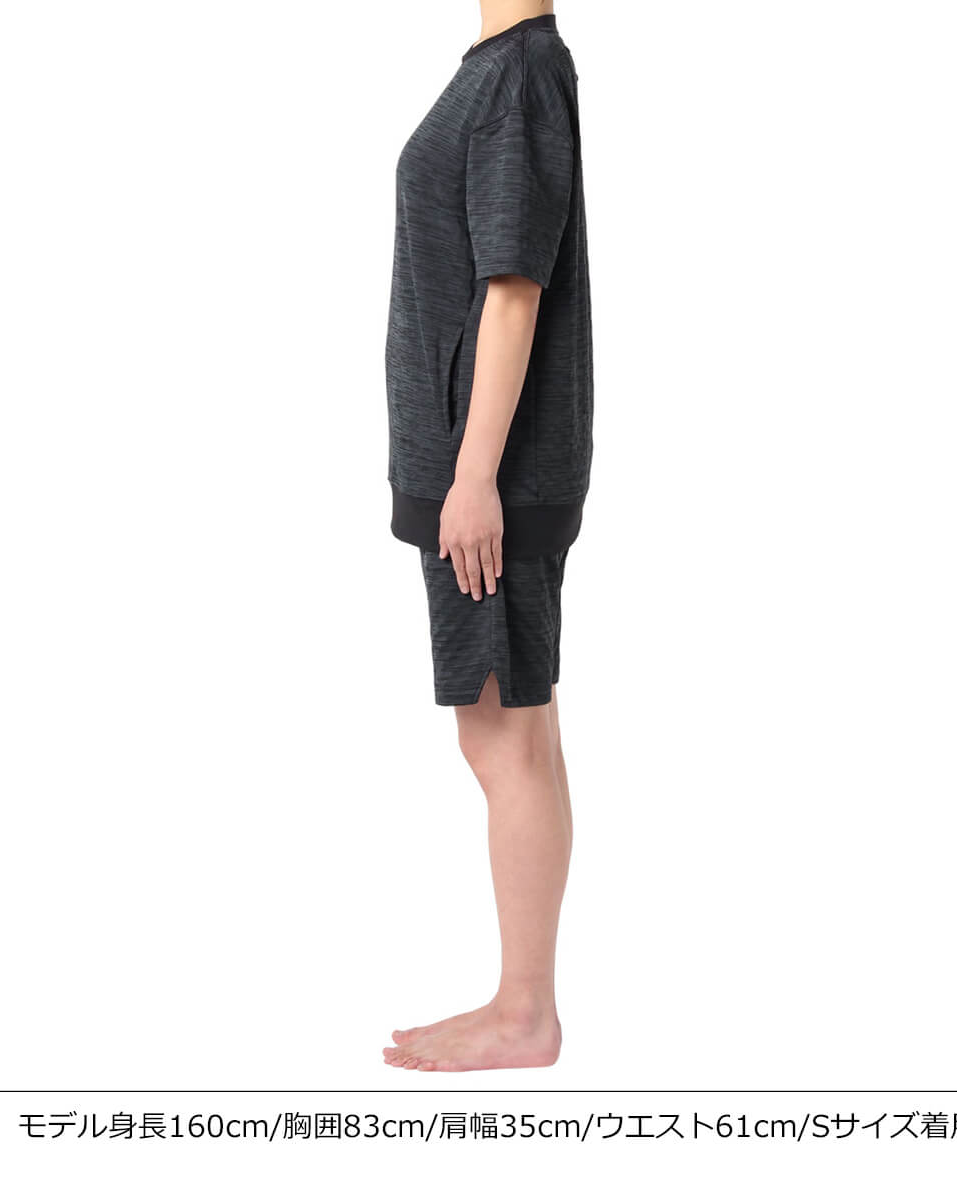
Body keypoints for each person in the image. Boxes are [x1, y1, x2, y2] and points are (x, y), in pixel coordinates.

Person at [382, 1, 593, 1072]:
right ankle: (524, 1006)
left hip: (491, 473)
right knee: (519, 729)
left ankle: (523, 1015)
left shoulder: (519, 71)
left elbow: (512, 290)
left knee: (502, 733)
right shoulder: (503, 63)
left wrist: (472, 478)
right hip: (485, 464)